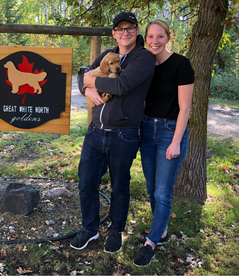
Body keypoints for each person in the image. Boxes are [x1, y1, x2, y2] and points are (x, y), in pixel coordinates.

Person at [70, 12, 155, 253]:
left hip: (124, 134)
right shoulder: (108, 54)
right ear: (113, 33)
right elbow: (81, 75)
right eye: (120, 29)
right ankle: (90, 228)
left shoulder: (143, 58)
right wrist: (85, 89)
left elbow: (122, 85)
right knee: (86, 183)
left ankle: (116, 231)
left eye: (130, 28)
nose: (125, 33)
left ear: (137, 31)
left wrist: (91, 80)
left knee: (120, 186)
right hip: (95, 131)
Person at [133, 19, 194, 267]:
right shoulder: (145, 64)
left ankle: (151, 242)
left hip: (170, 132)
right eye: (150, 37)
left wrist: (176, 142)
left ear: (168, 38)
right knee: (151, 188)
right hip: (148, 129)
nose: (154, 41)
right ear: (145, 39)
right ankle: (163, 231)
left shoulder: (181, 64)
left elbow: (185, 107)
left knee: (162, 192)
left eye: (160, 36)